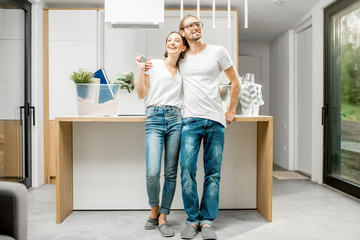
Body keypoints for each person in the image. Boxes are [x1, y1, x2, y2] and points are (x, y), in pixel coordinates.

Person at [178, 15, 240, 240]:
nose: (195, 27)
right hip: (190, 121)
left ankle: (206, 222)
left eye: (198, 24)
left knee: (213, 174)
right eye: (190, 25)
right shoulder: (180, 57)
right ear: (183, 32)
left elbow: (235, 80)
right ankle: (192, 219)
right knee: (187, 171)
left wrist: (231, 110)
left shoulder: (218, 51)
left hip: (215, 121)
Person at [135, 31, 188, 238]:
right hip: (154, 118)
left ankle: (163, 216)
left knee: (171, 172)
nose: (172, 43)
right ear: (166, 45)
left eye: (177, 40)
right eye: (169, 40)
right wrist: (140, 70)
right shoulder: (153, 64)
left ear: (183, 47)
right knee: (153, 172)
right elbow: (141, 94)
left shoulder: (185, 69)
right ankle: (154, 210)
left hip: (177, 119)